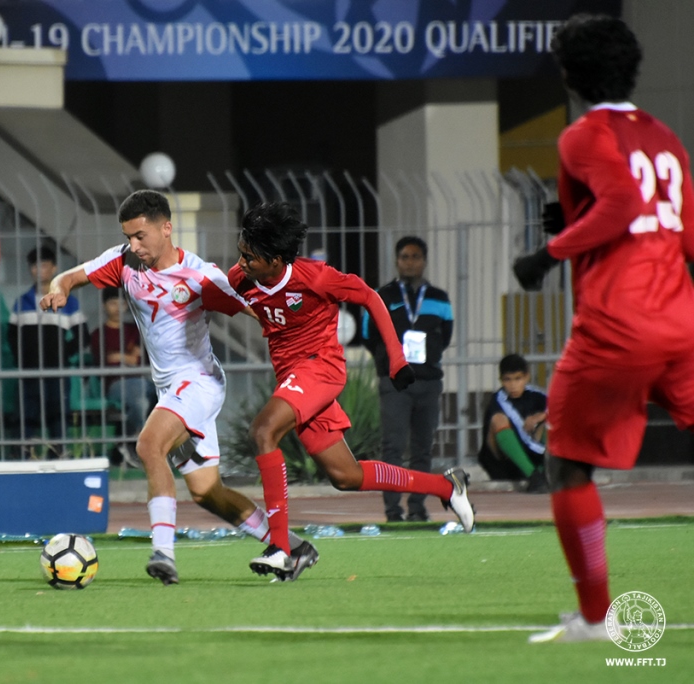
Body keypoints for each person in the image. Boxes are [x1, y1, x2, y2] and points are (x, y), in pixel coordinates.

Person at [512, 15, 694, 644]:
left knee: (567, 466)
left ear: (570, 73)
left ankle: (595, 620)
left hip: (618, 325)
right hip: (681, 320)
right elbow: (682, 233)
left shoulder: (583, 135)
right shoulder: (666, 138)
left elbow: (621, 204)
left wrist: (549, 252)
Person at [41, 189, 315, 584]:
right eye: (129, 236)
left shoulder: (202, 277)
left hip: (199, 382)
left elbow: (258, 307)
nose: (134, 245)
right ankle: (293, 547)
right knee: (206, 492)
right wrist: (59, 289)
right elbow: (71, 275)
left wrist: (302, 336)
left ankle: (163, 553)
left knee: (149, 445)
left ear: (166, 229)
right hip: (171, 389)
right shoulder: (125, 261)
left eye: (141, 236)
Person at [228, 202, 474, 577]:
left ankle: (281, 547)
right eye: (241, 252)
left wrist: (396, 360)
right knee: (346, 477)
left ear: (277, 260)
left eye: (249, 257)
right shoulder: (242, 277)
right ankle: (445, 486)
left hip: (320, 369)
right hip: (293, 379)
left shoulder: (316, 277)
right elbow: (232, 299)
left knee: (263, 431)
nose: (241, 263)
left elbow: (371, 298)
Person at [362, 236, 454, 523]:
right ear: (397, 260)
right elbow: (369, 335)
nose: (410, 262)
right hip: (395, 382)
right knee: (393, 446)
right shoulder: (383, 296)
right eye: (404, 257)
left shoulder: (439, 297)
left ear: (424, 261)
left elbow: (446, 335)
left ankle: (417, 507)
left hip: (428, 381)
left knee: (423, 448)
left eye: (415, 257)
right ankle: (392, 509)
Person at [8, 243, 88, 455]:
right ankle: (22, 461)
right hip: (28, 373)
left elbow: (83, 336)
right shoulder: (21, 302)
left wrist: (62, 356)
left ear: (54, 268)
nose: (39, 270)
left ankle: (59, 460)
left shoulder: (68, 301)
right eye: (34, 265)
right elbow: (11, 335)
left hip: (57, 373)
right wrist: (22, 359)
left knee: (58, 420)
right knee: (25, 419)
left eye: (44, 265)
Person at [90, 286, 155, 468]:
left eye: (122, 303)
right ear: (104, 306)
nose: (118, 307)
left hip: (140, 380)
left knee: (164, 397)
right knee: (139, 402)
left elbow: (140, 359)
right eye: (112, 303)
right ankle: (140, 446)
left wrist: (119, 356)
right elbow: (105, 363)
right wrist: (128, 357)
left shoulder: (134, 330)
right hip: (115, 383)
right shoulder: (98, 334)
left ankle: (129, 443)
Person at [476, 354, 548, 493]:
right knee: (498, 419)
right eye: (507, 380)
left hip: (533, 455)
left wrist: (541, 416)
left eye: (518, 379)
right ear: (501, 381)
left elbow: (563, 408)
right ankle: (534, 475)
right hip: (503, 462)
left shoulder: (535, 395)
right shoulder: (498, 400)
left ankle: (544, 471)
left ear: (527, 377)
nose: (513, 385)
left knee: (553, 419)